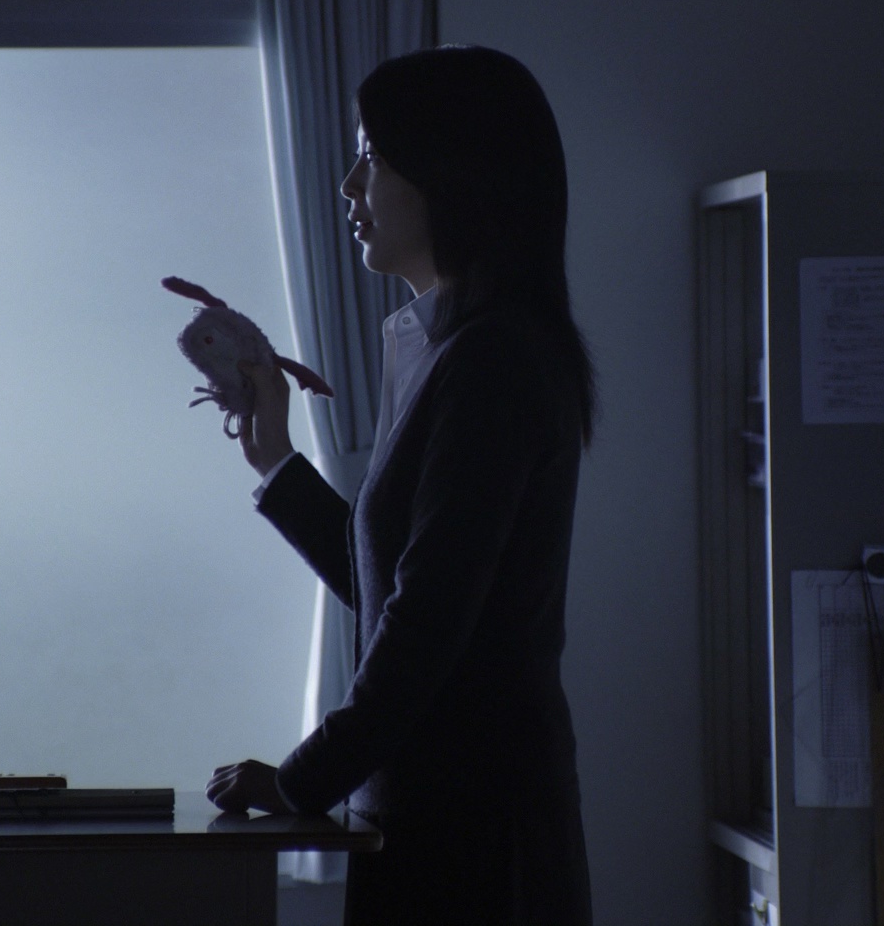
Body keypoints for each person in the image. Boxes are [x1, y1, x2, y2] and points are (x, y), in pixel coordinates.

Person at [205, 45, 596, 925]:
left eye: (373, 158)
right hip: (436, 814)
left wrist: (300, 780)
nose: (351, 185)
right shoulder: (449, 347)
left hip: (477, 832)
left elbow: (426, 622)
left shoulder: (493, 359)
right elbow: (403, 586)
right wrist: (276, 463)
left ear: (453, 175)